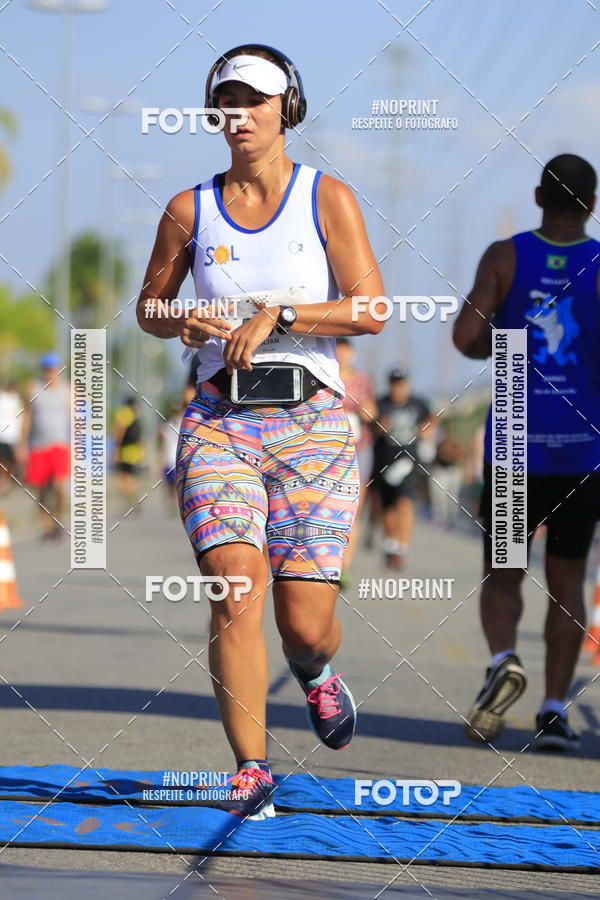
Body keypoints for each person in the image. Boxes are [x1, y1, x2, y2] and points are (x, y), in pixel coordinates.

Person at [137, 44, 385, 818]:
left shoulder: (327, 198)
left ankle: (314, 672)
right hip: (219, 425)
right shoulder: (189, 209)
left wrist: (281, 313)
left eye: (256, 99)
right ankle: (251, 768)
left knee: (303, 622)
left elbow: (372, 310)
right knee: (234, 593)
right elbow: (148, 306)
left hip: (312, 428)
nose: (240, 114)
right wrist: (181, 317)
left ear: (289, 108)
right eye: (227, 101)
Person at [453, 154, 600, 751]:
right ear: (591, 204)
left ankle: (504, 661)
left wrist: (508, 329)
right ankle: (553, 710)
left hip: (515, 440)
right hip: (581, 451)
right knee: (569, 579)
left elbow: (465, 338)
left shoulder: (504, 255)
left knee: (504, 569)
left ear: (540, 195)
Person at [372, 365, 431, 568]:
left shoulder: (419, 404)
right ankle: (390, 545)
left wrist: (428, 428)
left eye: (402, 384)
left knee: (405, 504)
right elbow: (371, 425)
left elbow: (432, 419)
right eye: (394, 384)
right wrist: (379, 425)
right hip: (385, 461)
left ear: (407, 384)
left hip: (410, 461)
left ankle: (401, 549)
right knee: (388, 507)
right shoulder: (381, 404)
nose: (398, 388)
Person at [335, 338, 376, 583]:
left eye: (346, 349)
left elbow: (373, 412)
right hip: (328, 449)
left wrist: (365, 410)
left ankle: (344, 567)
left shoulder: (362, 380)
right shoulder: (321, 375)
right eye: (337, 348)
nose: (342, 354)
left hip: (359, 448)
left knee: (355, 507)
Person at [22, 353, 70, 540]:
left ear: (58, 370)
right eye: (46, 369)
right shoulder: (33, 389)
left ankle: (58, 520)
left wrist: (77, 445)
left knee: (59, 486)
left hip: (59, 446)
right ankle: (45, 527)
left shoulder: (68, 391)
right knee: (40, 489)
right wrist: (21, 445)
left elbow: (77, 421)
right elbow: (26, 417)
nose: (49, 373)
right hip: (38, 446)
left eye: (52, 369)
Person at [112, 396, 144, 513]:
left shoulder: (124, 413)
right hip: (135, 451)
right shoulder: (135, 415)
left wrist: (116, 449)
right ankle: (133, 501)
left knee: (125, 478)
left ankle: (131, 502)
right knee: (130, 477)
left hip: (125, 451)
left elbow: (119, 431)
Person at [0, 381, 23, 496]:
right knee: (3, 461)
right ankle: (3, 483)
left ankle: (6, 482)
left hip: (13, 438)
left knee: (10, 462)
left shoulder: (17, 400)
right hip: (3, 437)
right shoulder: (2, 398)